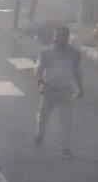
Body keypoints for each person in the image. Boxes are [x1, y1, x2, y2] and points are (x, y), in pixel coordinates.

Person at [34, 25, 83, 158]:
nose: (55, 39)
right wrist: (40, 83)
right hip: (49, 89)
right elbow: (38, 69)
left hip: (66, 91)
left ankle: (64, 147)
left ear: (66, 38)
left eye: (58, 36)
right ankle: (40, 136)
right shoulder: (46, 52)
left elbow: (77, 73)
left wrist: (80, 88)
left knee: (67, 120)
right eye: (54, 36)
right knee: (43, 116)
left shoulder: (74, 54)